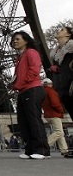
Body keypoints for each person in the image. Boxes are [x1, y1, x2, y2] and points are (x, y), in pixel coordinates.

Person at [11, 31, 49, 159]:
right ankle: (31, 149)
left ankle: (42, 150)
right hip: (24, 90)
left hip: (32, 89)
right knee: (24, 121)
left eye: (17, 39)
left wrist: (21, 82)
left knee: (33, 120)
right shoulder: (20, 56)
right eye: (13, 40)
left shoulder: (31, 52)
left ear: (26, 40)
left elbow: (34, 70)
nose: (14, 41)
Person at [49, 26, 73, 158]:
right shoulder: (56, 52)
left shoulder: (71, 47)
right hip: (63, 87)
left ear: (68, 35)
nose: (58, 30)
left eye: (62, 29)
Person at [42, 78, 68, 155]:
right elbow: (55, 103)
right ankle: (44, 145)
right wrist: (61, 110)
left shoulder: (42, 92)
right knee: (59, 132)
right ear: (50, 84)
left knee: (60, 132)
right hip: (54, 114)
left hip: (47, 114)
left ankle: (64, 149)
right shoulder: (51, 91)